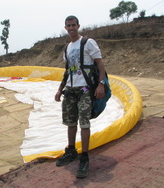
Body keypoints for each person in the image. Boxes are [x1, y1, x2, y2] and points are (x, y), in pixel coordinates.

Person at [54, 15, 106, 178]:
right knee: (70, 122)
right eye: (68, 26)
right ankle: (71, 151)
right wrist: (60, 89)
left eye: (73, 25)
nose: (71, 28)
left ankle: (84, 157)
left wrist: (101, 84)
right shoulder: (67, 48)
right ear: (65, 28)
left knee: (84, 123)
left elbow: (100, 63)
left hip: (85, 90)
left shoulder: (88, 42)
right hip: (70, 90)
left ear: (78, 26)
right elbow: (68, 70)